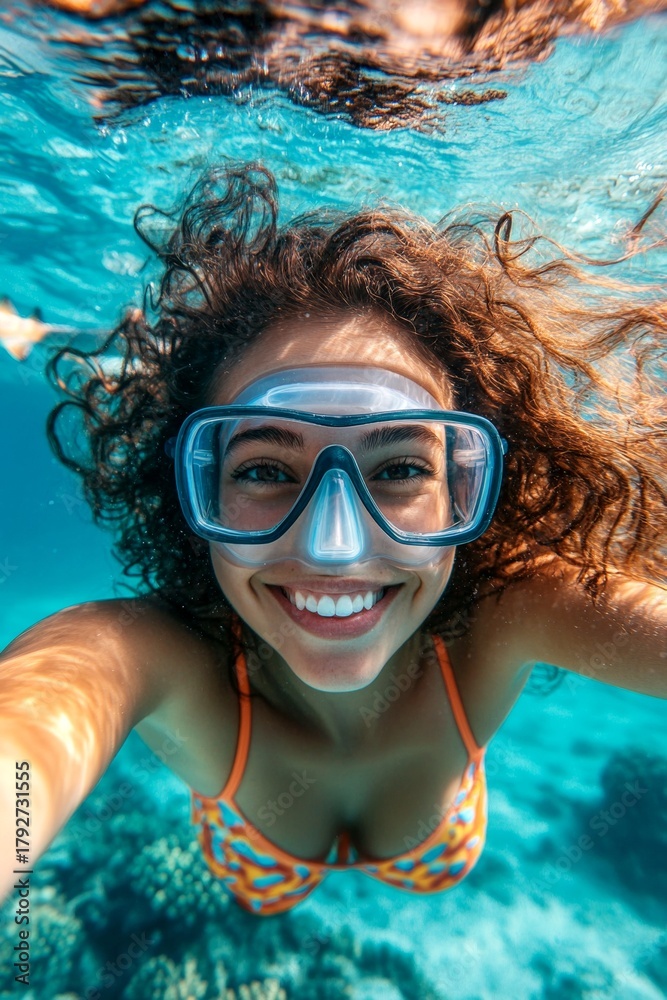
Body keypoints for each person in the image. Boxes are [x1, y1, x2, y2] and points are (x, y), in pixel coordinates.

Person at [1, 163, 665, 914]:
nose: (333, 548)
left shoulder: (515, 603)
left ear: (469, 488)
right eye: (261, 471)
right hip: (264, 869)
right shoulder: (148, 651)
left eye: (403, 466)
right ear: (189, 491)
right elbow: (31, 729)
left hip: (410, 854)